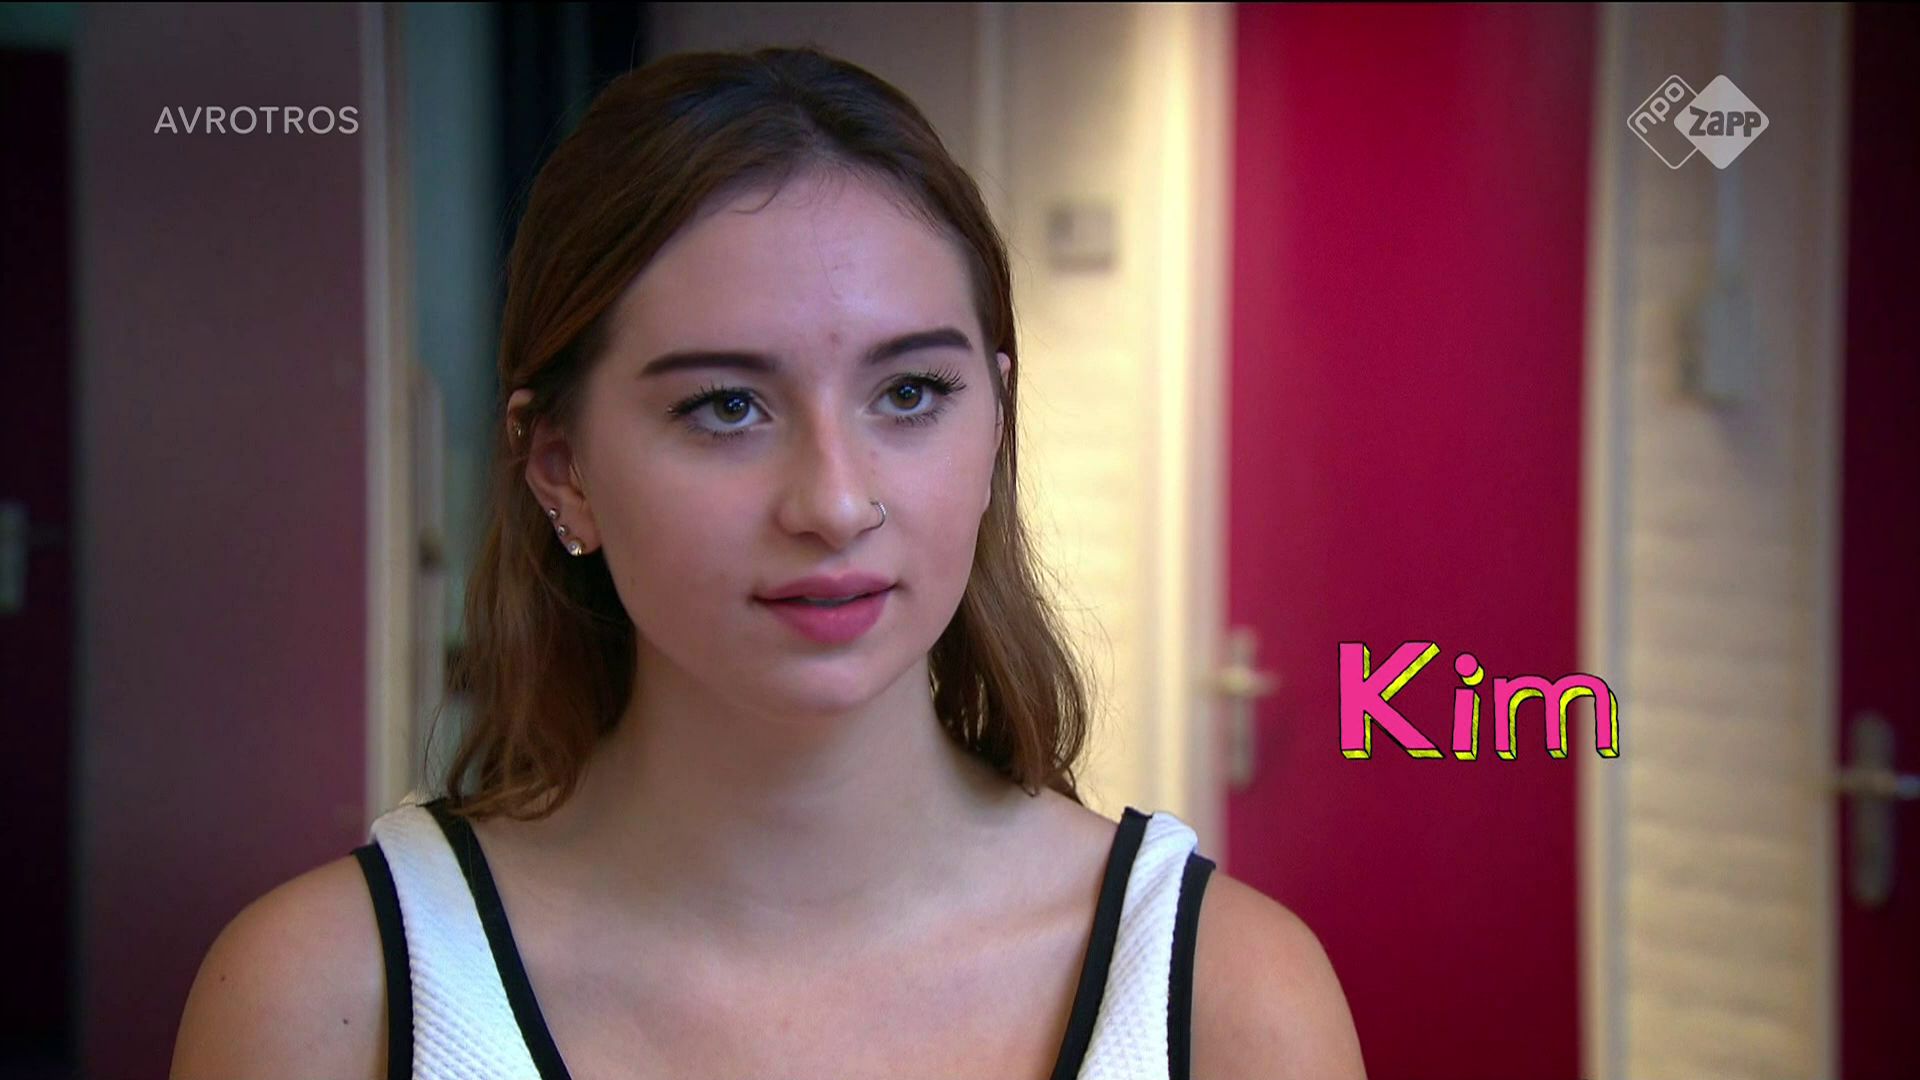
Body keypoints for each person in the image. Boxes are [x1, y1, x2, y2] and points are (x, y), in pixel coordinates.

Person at [170, 46, 1364, 1080]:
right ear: (561, 466)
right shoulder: (331, 998)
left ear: (996, 420)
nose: (835, 502)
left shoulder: (1228, 997)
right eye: (727, 406)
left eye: (911, 392)